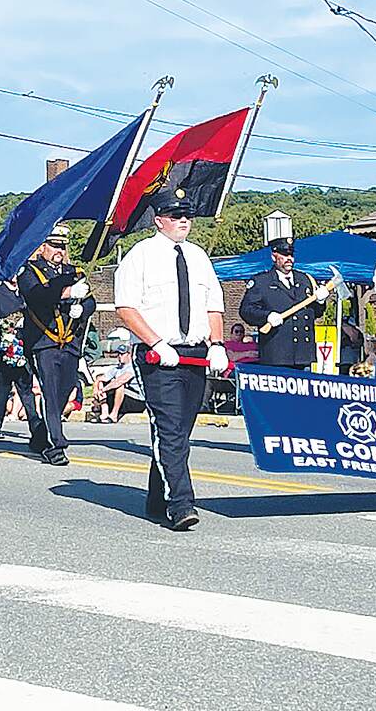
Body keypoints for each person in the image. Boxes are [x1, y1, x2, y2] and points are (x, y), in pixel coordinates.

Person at [115, 191, 228, 531]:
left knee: (179, 431)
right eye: (175, 215)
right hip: (158, 355)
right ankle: (181, 504)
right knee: (169, 429)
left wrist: (218, 344)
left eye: (187, 216)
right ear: (158, 220)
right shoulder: (141, 255)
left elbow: (213, 305)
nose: (183, 221)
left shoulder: (198, 256)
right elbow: (126, 307)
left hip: (194, 353)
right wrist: (157, 341)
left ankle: (156, 496)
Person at [18, 223, 95, 465]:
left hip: (70, 342)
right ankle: (56, 445)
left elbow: (91, 301)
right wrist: (67, 292)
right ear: (42, 247)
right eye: (53, 245)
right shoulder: (29, 271)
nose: (58, 250)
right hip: (44, 342)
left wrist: (82, 307)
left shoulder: (76, 272)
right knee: (50, 392)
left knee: (65, 389)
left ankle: (42, 432)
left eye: (62, 246)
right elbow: (36, 296)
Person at [238, 237, 329, 370]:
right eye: (284, 254)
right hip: (277, 355)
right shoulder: (262, 281)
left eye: (291, 255)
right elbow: (246, 310)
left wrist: (320, 302)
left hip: (303, 355)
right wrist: (266, 316)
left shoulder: (305, 279)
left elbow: (315, 313)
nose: (289, 258)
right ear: (274, 256)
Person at [0, 278, 41, 439]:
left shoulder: (25, 293)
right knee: (2, 392)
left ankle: (36, 429)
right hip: (4, 352)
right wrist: (9, 324)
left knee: (26, 392)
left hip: (24, 350)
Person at [90, 341, 137, 423]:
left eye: (122, 354)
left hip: (135, 399)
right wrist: (96, 390)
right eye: (118, 354)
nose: (119, 356)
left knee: (119, 386)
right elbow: (100, 378)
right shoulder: (116, 368)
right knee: (101, 382)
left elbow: (119, 381)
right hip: (120, 397)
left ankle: (114, 415)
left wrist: (103, 390)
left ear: (129, 354)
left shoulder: (133, 367)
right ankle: (104, 412)